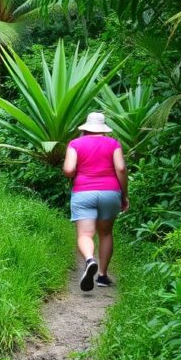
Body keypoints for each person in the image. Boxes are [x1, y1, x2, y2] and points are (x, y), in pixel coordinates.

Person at [62, 112, 128, 292]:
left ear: (86, 127)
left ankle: (90, 259)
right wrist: (124, 195)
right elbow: (121, 168)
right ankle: (103, 276)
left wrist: (78, 171)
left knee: (85, 234)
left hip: (83, 192)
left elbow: (68, 169)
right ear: (103, 128)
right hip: (110, 192)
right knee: (105, 233)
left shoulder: (75, 144)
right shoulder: (113, 143)